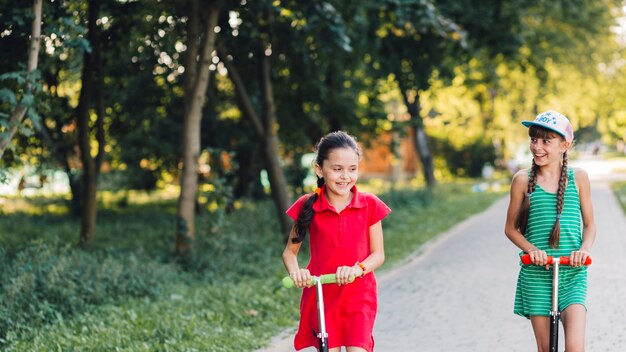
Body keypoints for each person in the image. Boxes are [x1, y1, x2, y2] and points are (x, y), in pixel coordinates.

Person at [282, 131, 391, 352]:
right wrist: (297, 273)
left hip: (359, 295)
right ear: (319, 169)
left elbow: (378, 255)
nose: (345, 177)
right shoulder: (308, 205)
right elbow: (289, 253)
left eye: (352, 169)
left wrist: (358, 269)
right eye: (337, 169)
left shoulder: (370, 205)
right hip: (323, 296)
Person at [504, 111, 596, 352]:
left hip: (572, 273)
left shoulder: (579, 178)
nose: (537, 146)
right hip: (537, 275)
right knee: (546, 349)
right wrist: (531, 250)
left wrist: (584, 250)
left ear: (564, 146)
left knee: (575, 348)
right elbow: (510, 229)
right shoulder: (522, 180)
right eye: (534, 139)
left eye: (546, 141)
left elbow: (590, 225)